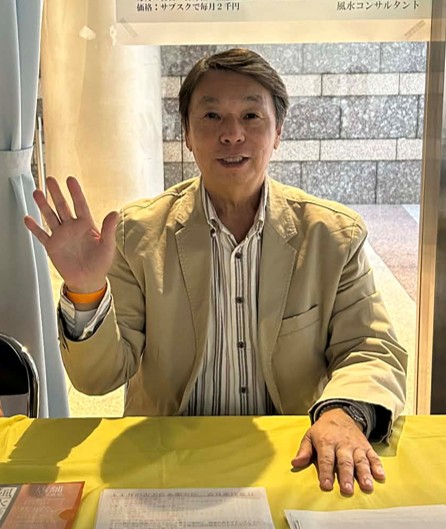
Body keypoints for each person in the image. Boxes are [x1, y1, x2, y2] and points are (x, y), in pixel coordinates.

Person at [25, 48, 407, 496]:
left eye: (251, 116)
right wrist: (86, 291)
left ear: (278, 131)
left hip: (294, 457)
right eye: (211, 116)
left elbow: (371, 347)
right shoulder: (138, 233)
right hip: (165, 459)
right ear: (187, 134)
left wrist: (343, 413)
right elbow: (98, 378)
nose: (232, 134)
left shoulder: (332, 236)